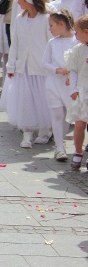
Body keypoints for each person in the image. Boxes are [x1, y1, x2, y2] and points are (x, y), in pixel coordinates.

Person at [2, 0, 53, 148]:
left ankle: (45, 131)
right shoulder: (20, 18)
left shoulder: (46, 18)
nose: (18, 1)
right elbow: (15, 43)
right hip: (23, 66)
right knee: (26, 99)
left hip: (41, 67)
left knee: (43, 98)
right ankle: (27, 133)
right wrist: (11, 65)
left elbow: (50, 42)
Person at [42, 10, 77, 161]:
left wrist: (71, 72)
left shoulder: (76, 41)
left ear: (61, 24)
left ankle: (62, 143)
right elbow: (44, 63)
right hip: (54, 83)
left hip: (70, 84)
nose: (50, 29)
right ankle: (59, 147)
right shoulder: (52, 43)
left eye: (51, 25)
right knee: (57, 114)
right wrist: (57, 70)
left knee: (68, 116)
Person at [66, 14, 88, 170]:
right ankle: (78, 150)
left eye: (77, 32)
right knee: (79, 124)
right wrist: (73, 88)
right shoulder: (78, 50)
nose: (75, 35)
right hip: (82, 91)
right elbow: (73, 70)